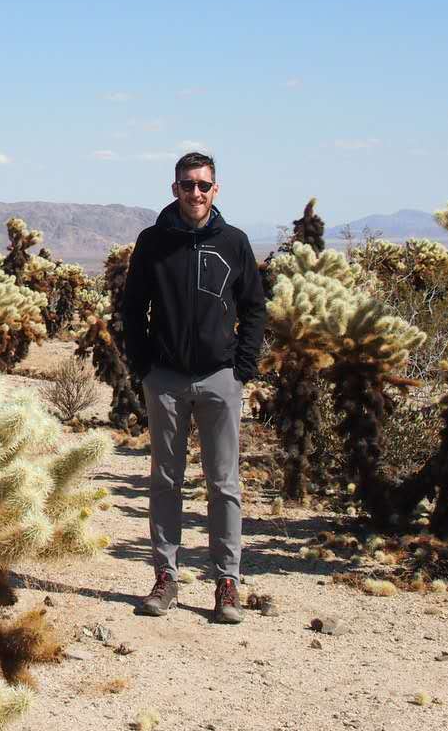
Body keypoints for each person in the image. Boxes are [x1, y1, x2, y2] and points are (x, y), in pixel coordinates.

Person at [121, 151, 266, 622]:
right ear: (174, 189)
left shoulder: (234, 242)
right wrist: (144, 366)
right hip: (164, 378)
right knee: (166, 479)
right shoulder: (153, 242)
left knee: (224, 484)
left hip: (219, 378)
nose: (195, 193)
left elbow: (254, 308)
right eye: (187, 185)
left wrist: (241, 368)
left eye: (203, 185)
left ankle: (227, 582)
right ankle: (165, 577)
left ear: (216, 189)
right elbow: (131, 309)